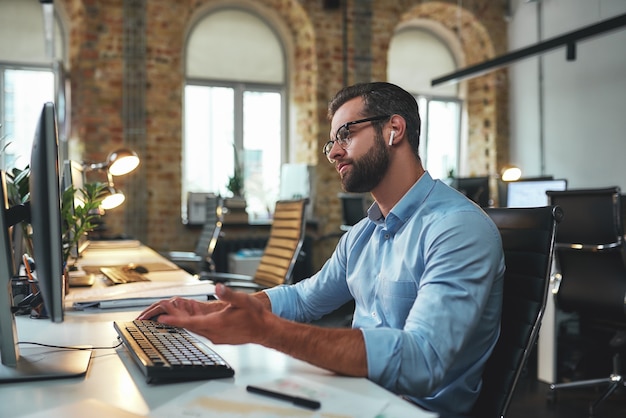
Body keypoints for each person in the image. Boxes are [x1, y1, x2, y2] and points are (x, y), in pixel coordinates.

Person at [139, 82, 504, 416]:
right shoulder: (363, 235)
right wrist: (215, 310)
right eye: (332, 141)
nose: (334, 153)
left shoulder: (457, 227)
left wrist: (267, 330)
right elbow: (304, 299)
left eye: (346, 133)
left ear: (394, 130)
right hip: (356, 394)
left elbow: (422, 362)